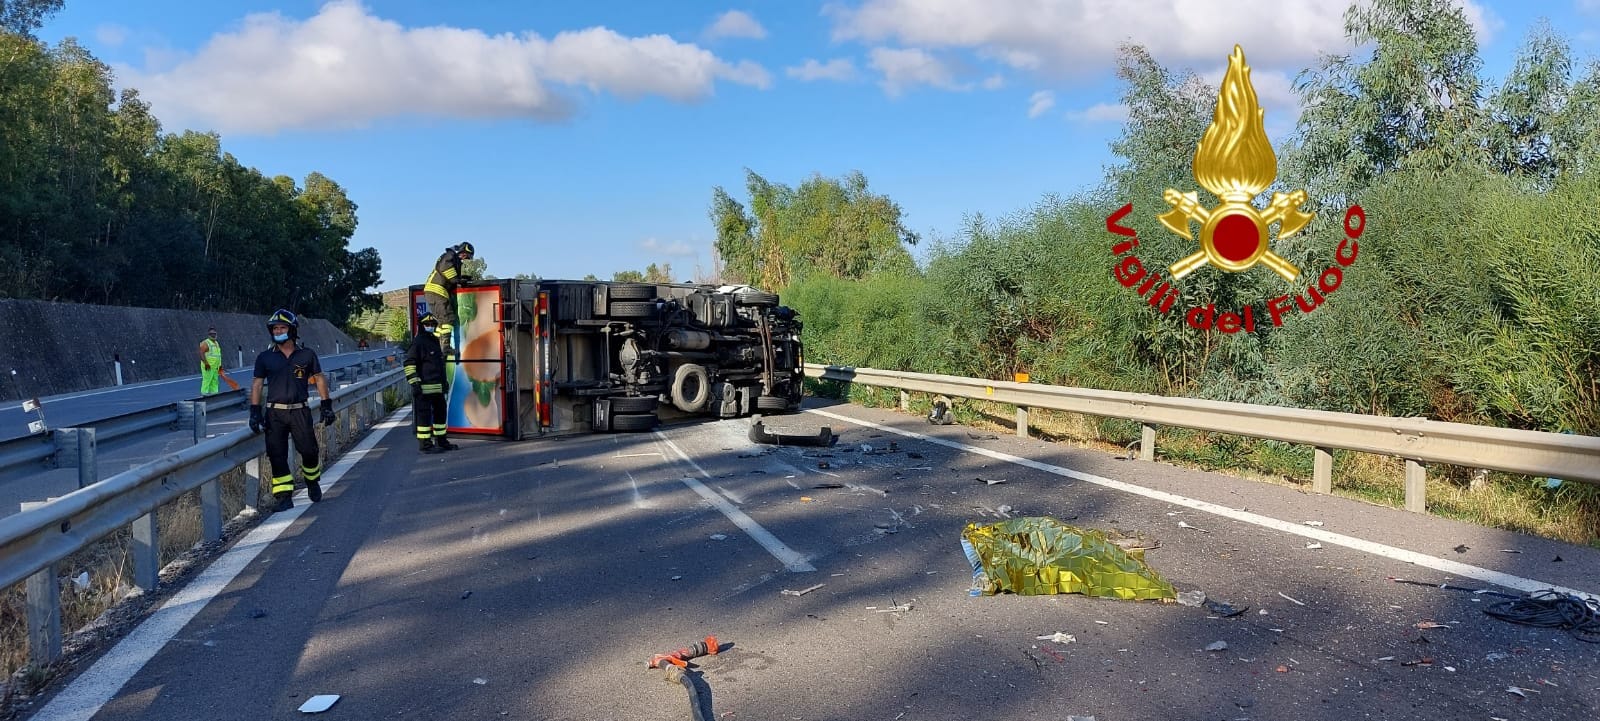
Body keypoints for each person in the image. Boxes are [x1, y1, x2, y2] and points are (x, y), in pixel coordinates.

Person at [248, 308, 336, 512]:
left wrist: (326, 404)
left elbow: (320, 378)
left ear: (293, 329)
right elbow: (257, 384)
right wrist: (254, 411)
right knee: (277, 455)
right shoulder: (264, 358)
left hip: (300, 411)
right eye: (275, 328)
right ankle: (284, 497)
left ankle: (312, 482)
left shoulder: (307, 355)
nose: (278, 331)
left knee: (309, 451)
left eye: (282, 327)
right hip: (274, 414)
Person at [403, 312, 457, 454]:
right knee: (424, 418)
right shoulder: (418, 343)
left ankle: (441, 441)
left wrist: (444, 383)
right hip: (424, 389)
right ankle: (425, 445)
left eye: (433, 325)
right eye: (427, 325)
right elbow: (409, 363)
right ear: (421, 326)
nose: (430, 327)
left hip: (438, 388)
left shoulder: (434, 341)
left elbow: (439, 365)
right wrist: (415, 383)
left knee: (440, 415)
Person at [422, 241, 476, 349]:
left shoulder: (454, 258)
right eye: (467, 256)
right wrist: (457, 280)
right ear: (463, 251)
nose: (465, 259)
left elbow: (452, 276)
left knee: (441, 322)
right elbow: (445, 268)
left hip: (432, 291)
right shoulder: (450, 255)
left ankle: (435, 344)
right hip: (438, 291)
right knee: (448, 319)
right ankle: (445, 347)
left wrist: (462, 279)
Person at [198, 327, 223, 395]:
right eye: (211, 334)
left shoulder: (216, 343)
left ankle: (214, 395)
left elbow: (218, 356)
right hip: (208, 367)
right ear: (208, 335)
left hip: (215, 367)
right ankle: (204, 395)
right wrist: (206, 363)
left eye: (214, 333)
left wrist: (220, 366)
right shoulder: (206, 343)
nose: (213, 335)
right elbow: (201, 353)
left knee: (214, 382)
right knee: (207, 381)